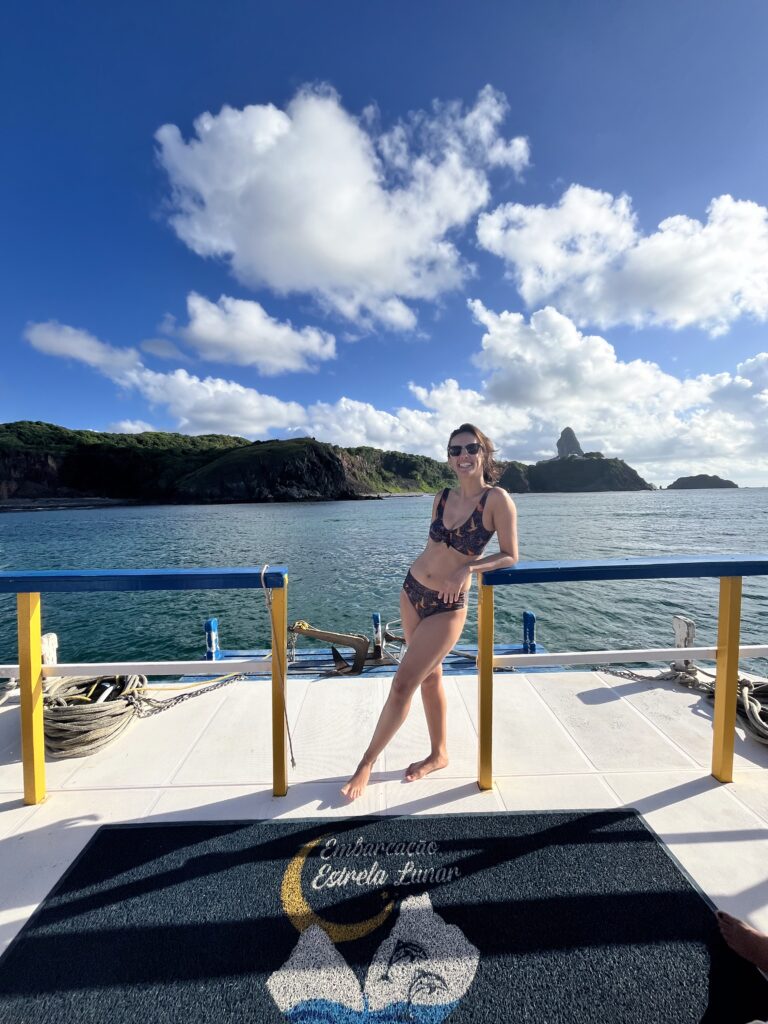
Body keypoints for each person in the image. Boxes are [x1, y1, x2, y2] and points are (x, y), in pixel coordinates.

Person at [341, 424, 518, 801]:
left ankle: (366, 763)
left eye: (471, 448)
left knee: (402, 683)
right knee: (429, 678)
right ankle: (439, 754)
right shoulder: (440, 497)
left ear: (484, 452)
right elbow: (433, 547)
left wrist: (468, 568)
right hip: (411, 591)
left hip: (447, 606)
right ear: (449, 458)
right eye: (455, 450)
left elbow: (510, 555)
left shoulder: (497, 500)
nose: (463, 456)